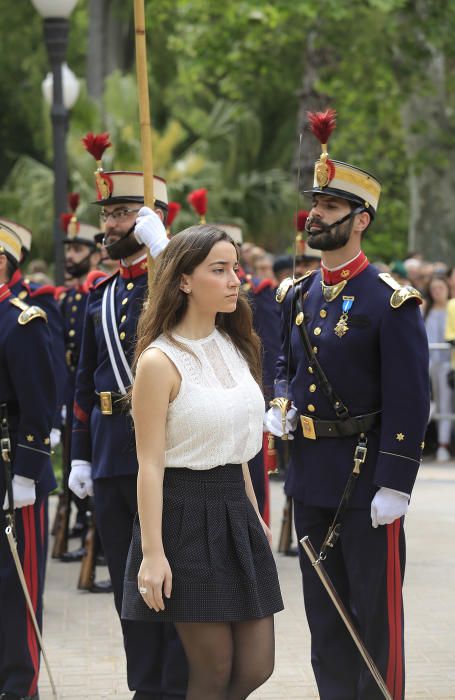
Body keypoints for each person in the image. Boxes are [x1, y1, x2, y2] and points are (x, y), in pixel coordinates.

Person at [265, 108, 430, 700]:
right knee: (325, 623)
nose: (316, 215)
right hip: (310, 478)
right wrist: (280, 400)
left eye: (330, 208)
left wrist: (397, 482)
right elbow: (284, 364)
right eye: (315, 204)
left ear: (360, 220)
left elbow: (412, 398)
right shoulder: (297, 293)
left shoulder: (390, 301)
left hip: (366, 484)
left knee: (375, 622)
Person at [121, 224, 283, 700]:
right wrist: (152, 555)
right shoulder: (158, 361)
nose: (235, 279)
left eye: (236, 268)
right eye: (220, 270)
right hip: (182, 514)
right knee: (212, 672)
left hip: (236, 509)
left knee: (256, 666)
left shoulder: (236, 345)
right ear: (184, 280)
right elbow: (148, 464)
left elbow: (238, 443)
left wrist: (253, 513)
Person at [68, 132, 187, 699]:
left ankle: (175, 685)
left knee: (169, 580)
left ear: (150, 220)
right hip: (116, 452)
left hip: (167, 450)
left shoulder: (173, 283)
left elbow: (193, 324)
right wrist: (81, 454)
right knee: (127, 583)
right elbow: (84, 387)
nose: (111, 226)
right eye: (109, 215)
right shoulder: (100, 294)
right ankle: (145, 686)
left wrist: (167, 253)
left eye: (123, 215)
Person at [0, 221, 57, 700]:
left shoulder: (21, 321)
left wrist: (26, 471)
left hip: (8, 465)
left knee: (15, 585)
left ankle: (21, 686)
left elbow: (39, 402)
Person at [57, 200, 110, 577]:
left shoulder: (99, 292)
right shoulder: (72, 297)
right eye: (68, 249)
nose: (71, 256)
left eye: (77, 249)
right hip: (82, 396)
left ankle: (99, 547)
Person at [423, 276, 452, 462]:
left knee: (445, 403)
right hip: (428, 362)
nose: (437, 291)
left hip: (447, 363)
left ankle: (444, 444)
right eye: (434, 288)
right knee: (428, 404)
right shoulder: (426, 310)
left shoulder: (452, 308)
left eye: (440, 287)